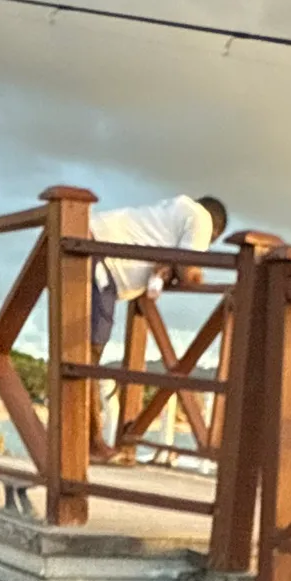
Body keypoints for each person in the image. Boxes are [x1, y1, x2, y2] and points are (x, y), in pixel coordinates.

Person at [87, 194, 229, 463]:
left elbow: (169, 257)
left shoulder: (174, 210)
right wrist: (190, 273)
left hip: (92, 243)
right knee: (86, 357)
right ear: (215, 230)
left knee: (81, 356)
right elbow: (190, 274)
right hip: (101, 260)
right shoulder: (200, 218)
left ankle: (82, 442)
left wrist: (167, 268)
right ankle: (90, 443)